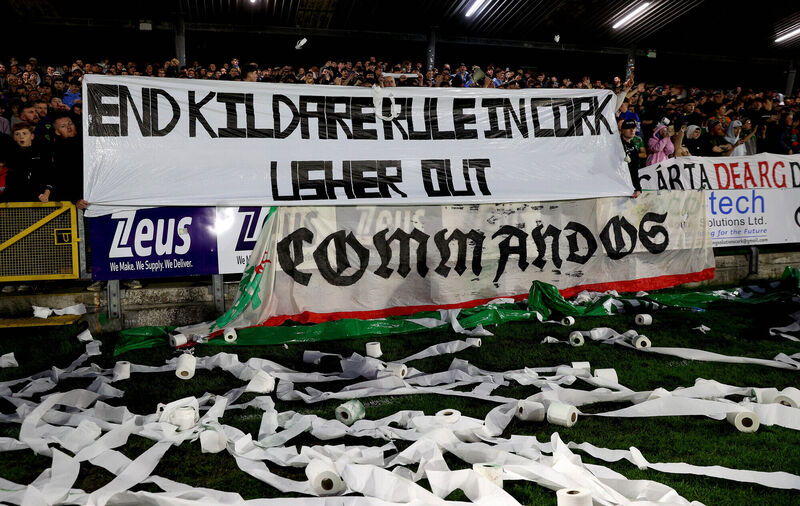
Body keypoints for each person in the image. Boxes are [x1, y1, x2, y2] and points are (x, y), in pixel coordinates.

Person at [620, 119, 645, 198]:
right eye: (628, 128)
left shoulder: (632, 145)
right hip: (617, 184)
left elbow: (634, 170)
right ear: (622, 130)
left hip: (627, 186)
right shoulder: (617, 143)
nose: (632, 131)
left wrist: (638, 188)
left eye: (634, 128)